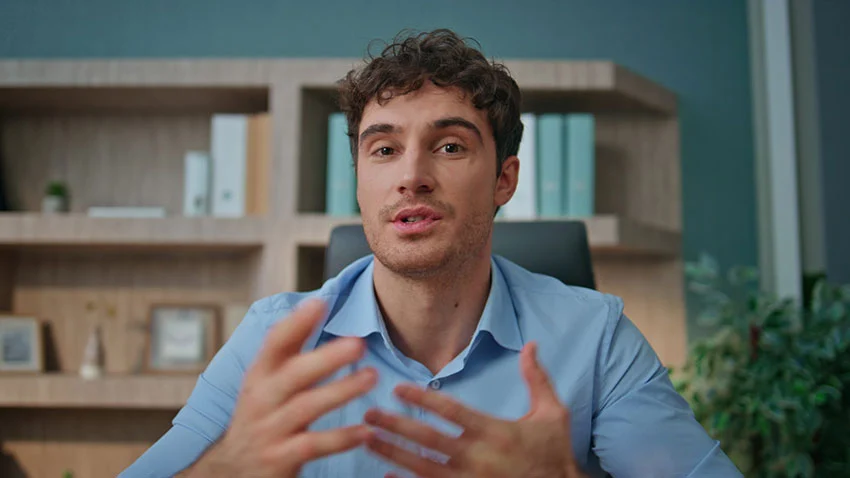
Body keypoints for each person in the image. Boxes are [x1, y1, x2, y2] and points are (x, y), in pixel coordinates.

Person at [121, 29, 742, 478]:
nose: (410, 177)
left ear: (504, 180)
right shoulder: (272, 338)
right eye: (384, 150)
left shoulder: (596, 339)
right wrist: (224, 470)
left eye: (449, 147)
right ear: (359, 180)